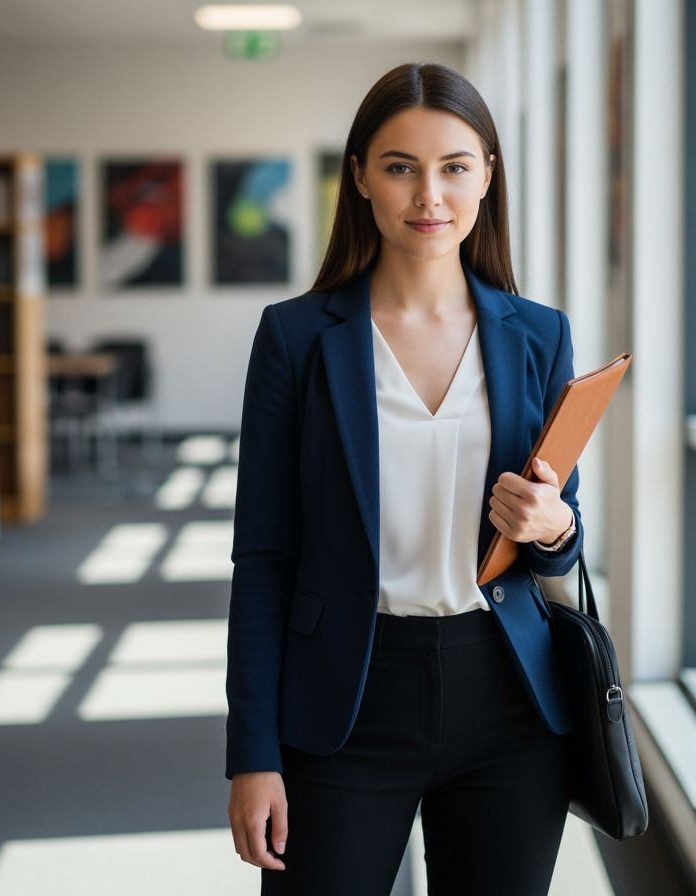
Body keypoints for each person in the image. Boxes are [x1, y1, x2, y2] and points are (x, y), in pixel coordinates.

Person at [225, 61, 584, 895]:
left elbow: (561, 537)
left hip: (509, 700)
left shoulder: (539, 335)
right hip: (344, 699)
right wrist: (252, 754)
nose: (430, 195)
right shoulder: (296, 339)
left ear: (487, 175)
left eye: (454, 167)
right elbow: (263, 560)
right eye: (400, 167)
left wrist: (554, 527)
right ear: (359, 177)